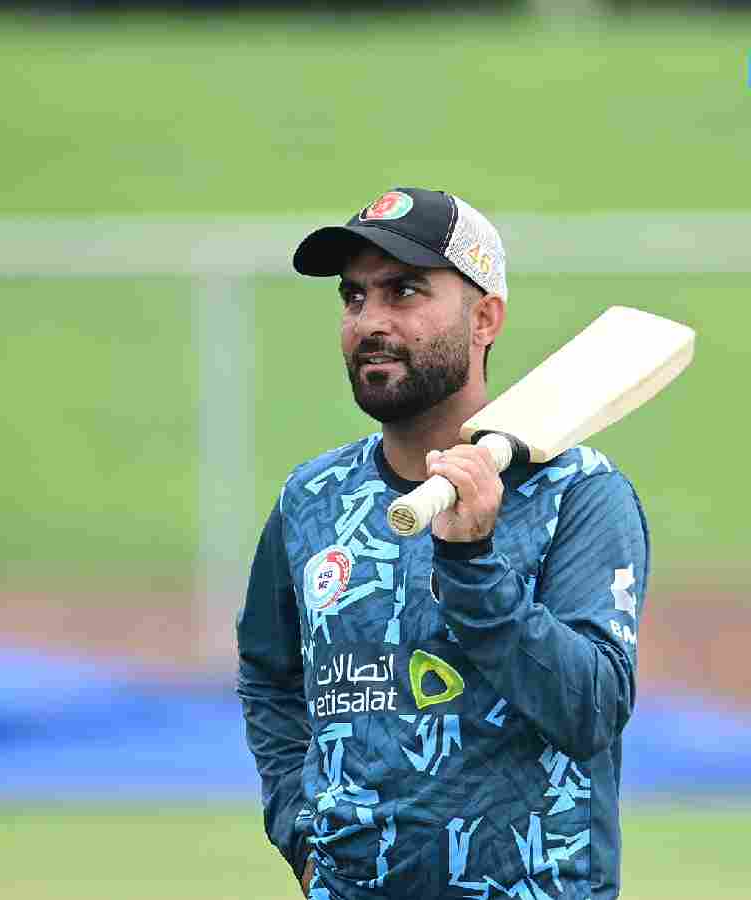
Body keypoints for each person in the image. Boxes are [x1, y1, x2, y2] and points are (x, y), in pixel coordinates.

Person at [236, 187, 648, 900]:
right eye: (354, 297)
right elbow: (270, 678)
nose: (371, 320)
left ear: (485, 317)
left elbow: (590, 710)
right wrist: (301, 835)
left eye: (404, 291)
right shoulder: (311, 498)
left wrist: (471, 563)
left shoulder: (578, 493)